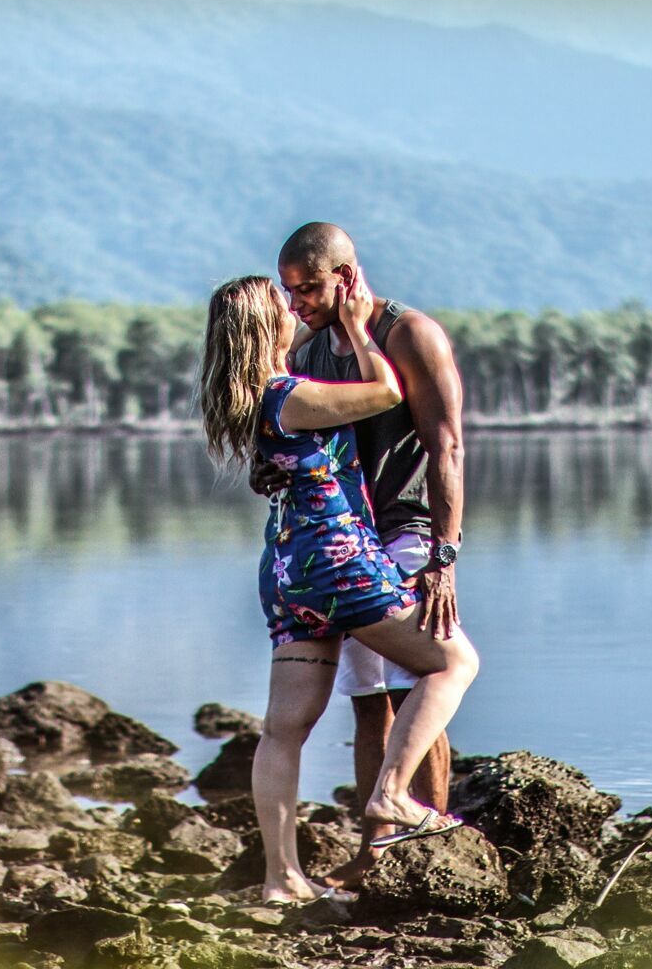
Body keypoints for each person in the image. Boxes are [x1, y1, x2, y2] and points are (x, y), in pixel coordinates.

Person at [201, 273, 480, 907]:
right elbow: (386, 392)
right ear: (263, 328)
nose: (293, 308)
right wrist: (357, 328)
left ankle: (281, 878)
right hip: (339, 561)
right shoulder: (291, 391)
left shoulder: (254, 396)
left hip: (286, 569)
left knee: (283, 729)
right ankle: (390, 796)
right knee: (452, 662)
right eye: (282, 305)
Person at [253, 222, 466, 890]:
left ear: (346, 275)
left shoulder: (410, 335)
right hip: (346, 539)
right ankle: (377, 849)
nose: (298, 305)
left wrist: (443, 553)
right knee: (367, 700)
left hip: (404, 530)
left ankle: (423, 836)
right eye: (289, 293)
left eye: (309, 289)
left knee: (417, 684)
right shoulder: (314, 351)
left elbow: (447, 446)